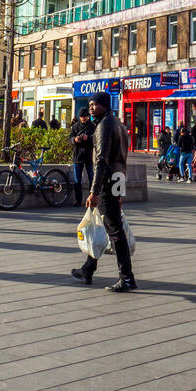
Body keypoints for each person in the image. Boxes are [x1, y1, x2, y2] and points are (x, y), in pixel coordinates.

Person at [72, 91, 135, 292]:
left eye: (95, 104)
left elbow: (101, 161)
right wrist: (121, 190)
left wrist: (94, 191)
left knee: (114, 230)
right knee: (106, 224)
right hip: (118, 178)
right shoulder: (119, 124)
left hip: (108, 181)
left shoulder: (103, 126)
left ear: (105, 105)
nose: (91, 107)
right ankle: (88, 269)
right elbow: (122, 159)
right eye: (90, 104)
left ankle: (127, 277)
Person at [69, 108, 95, 207]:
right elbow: (70, 138)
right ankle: (78, 201)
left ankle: (91, 199)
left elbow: (96, 139)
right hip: (77, 156)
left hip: (88, 156)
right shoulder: (75, 126)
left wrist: (87, 138)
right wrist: (75, 139)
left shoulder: (92, 126)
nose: (83, 118)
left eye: (84, 116)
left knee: (91, 178)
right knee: (77, 180)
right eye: (81, 117)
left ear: (88, 116)